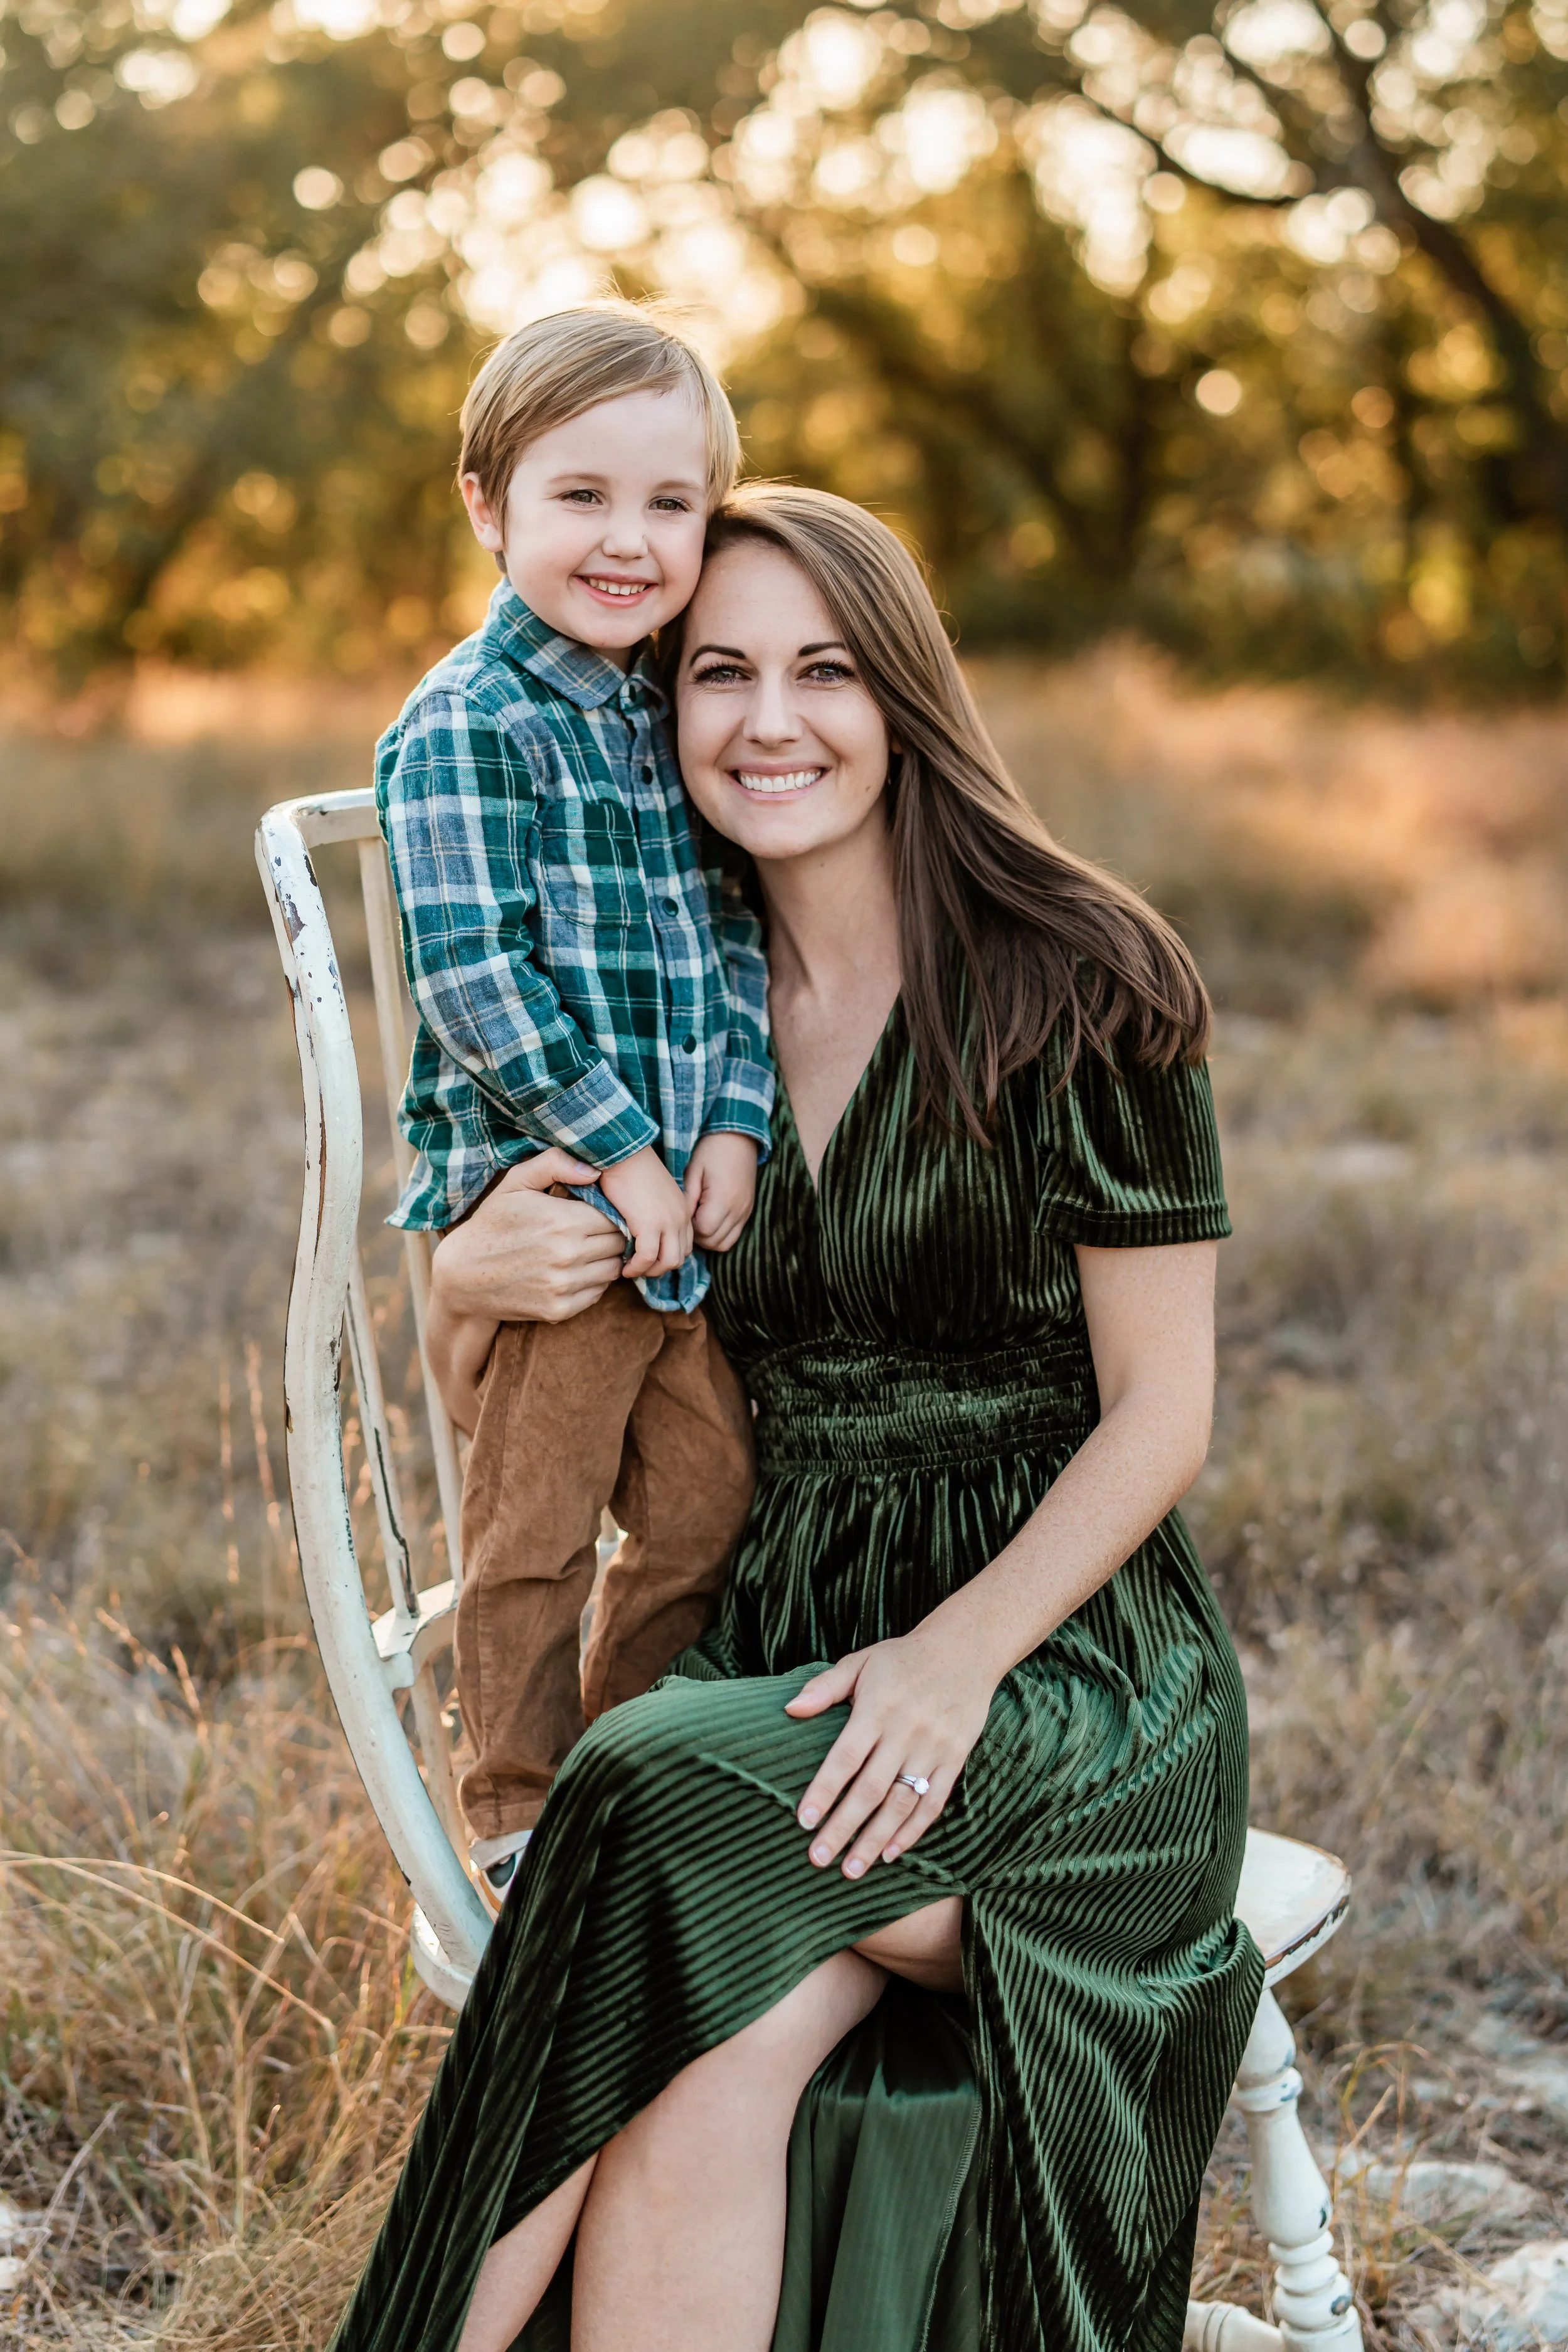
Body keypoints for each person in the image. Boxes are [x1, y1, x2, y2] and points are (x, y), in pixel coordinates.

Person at [332, 487, 1264, 2352]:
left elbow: (1163, 1411)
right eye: (718, 672)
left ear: (901, 692)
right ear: (660, 711)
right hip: (783, 1638)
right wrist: (467, 1282)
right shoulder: (668, 1026)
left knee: (639, 1778)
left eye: (822, 669)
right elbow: (534, 1421)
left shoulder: (1082, 976)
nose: (770, 719)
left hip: (1064, 1670)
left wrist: (953, 1658)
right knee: (685, 2060)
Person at [376, 304, 775, 1895]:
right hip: (560, 1218)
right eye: (579, 496)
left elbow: (727, 936)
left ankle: (628, 1756)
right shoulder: (466, 727)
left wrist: (732, 1117)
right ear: (489, 506)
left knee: (708, 1500)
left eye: (668, 504)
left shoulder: (650, 711)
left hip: (679, 1208)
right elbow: (471, 982)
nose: (627, 539)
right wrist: (620, 1145)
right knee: (532, 1528)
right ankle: (516, 1799)